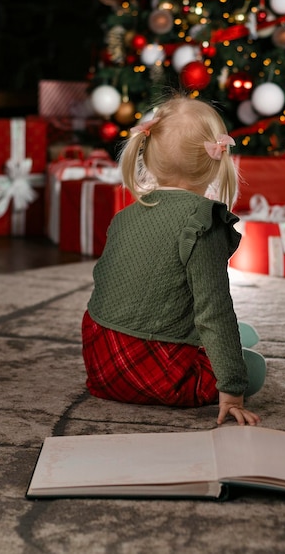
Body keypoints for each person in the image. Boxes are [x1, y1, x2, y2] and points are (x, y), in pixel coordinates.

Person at [82, 94, 265, 426]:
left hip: (101, 362)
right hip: (162, 373)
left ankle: (225, 345)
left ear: (148, 157)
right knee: (251, 366)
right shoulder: (201, 224)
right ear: (217, 160)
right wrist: (233, 388)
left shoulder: (124, 216)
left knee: (185, 315)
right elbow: (214, 310)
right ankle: (235, 358)